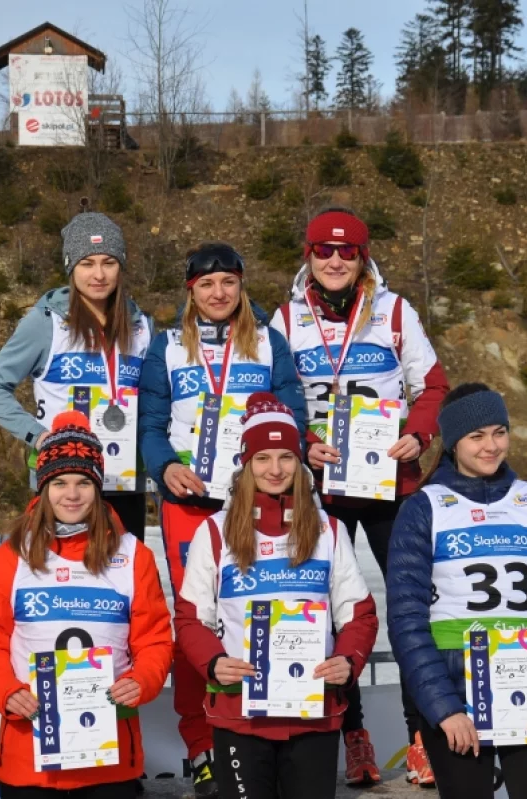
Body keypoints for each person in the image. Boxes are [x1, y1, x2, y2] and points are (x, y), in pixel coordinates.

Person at [270, 206, 450, 785]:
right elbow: (271, 395)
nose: (336, 261)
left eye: (348, 252)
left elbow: (434, 384)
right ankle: (354, 736)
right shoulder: (285, 318)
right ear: (308, 256)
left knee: (411, 609)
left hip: (388, 483)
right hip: (319, 485)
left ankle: (422, 738)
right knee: (326, 609)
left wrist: (417, 434)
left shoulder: (394, 310)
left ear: (364, 257)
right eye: (324, 250)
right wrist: (303, 439)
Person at [138, 242, 308, 798]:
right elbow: (150, 425)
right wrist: (164, 467)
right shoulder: (166, 347)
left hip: (256, 500)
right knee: (199, 619)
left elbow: (293, 414)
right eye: (207, 284)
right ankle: (201, 747)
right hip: (190, 503)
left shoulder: (267, 343)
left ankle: (267, 728)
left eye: (229, 283)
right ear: (191, 291)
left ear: (241, 287)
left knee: (263, 605)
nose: (219, 293)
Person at [386, 384, 527, 799]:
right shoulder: (423, 509)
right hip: (456, 690)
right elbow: (406, 621)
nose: (491, 446)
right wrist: (443, 709)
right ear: (454, 442)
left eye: (499, 432)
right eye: (476, 436)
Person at [174, 392, 378, 799]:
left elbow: (359, 615)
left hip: (312, 714)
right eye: (262, 458)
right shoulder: (214, 531)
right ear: (246, 465)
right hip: (239, 714)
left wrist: (348, 660)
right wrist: (213, 663)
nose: (275, 469)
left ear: (299, 463)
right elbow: (189, 619)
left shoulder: (328, 530)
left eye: (286, 457)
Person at [0, 410, 173, 799]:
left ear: (98, 486)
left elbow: (154, 641)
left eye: (83, 482)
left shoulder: (133, 555)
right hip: (29, 753)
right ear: (43, 487)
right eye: (60, 482)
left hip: (108, 756)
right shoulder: (11, 555)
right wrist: (6, 690)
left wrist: (141, 681)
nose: (72, 494)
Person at [0, 209, 154, 540]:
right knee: (65, 585)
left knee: (122, 585)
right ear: (71, 267)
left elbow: (154, 400)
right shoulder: (46, 322)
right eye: (87, 264)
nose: (98, 274)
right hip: (63, 479)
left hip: (123, 479)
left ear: (122, 265)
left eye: (109, 262)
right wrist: (38, 436)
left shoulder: (142, 326)